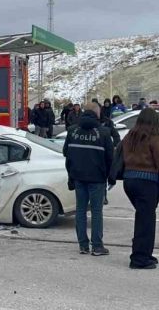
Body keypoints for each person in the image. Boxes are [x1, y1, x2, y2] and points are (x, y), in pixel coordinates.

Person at [121, 108, 159, 269]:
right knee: (146, 222)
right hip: (146, 183)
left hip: (129, 182)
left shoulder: (129, 136)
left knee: (143, 219)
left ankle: (145, 253)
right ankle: (140, 259)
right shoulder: (154, 139)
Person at [63, 103, 113, 256]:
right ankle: (97, 246)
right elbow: (110, 158)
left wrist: (71, 174)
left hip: (78, 176)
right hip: (97, 178)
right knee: (96, 211)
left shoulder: (72, 131)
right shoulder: (104, 133)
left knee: (80, 210)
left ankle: (83, 245)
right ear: (97, 114)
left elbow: (67, 153)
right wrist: (109, 176)